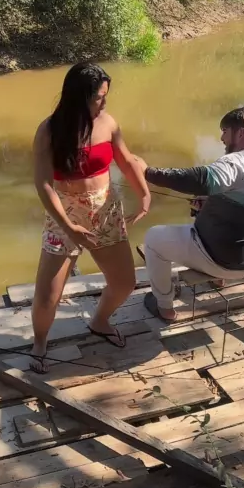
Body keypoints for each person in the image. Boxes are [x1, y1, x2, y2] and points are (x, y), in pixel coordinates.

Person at [30, 62, 151, 371]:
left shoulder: (108, 123)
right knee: (47, 296)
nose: (104, 103)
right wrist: (69, 226)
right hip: (64, 212)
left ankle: (100, 321)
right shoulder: (49, 131)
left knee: (124, 282)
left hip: (105, 209)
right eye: (99, 97)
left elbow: (126, 161)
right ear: (78, 98)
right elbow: (43, 183)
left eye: (105, 96)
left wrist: (144, 194)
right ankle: (39, 342)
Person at [136, 107, 244, 322]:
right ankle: (217, 280)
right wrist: (210, 201)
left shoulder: (239, 161)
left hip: (226, 262)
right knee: (203, 210)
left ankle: (165, 308)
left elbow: (201, 179)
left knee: (153, 239)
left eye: (225, 131)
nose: (222, 138)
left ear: (241, 133)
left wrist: (148, 173)